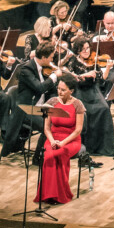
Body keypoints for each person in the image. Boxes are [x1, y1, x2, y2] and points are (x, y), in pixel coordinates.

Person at [64, 36, 114, 158]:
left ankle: (102, 145)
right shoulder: (73, 61)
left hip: (94, 91)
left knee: (104, 108)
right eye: (83, 49)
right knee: (86, 112)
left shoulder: (94, 61)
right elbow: (70, 79)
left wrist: (108, 68)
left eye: (88, 48)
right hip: (80, 92)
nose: (86, 51)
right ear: (78, 50)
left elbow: (102, 79)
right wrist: (85, 75)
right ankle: (87, 145)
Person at [36, 76, 85, 205]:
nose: (59, 92)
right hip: (53, 138)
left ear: (71, 91)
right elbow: (46, 128)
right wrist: (52, 141)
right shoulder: (51, 102)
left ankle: (59, 194)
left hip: (71, 140)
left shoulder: (78, 104)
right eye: (58, 89)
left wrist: (62, 143)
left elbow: (78, 130)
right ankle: (48, 194)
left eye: (63, 90)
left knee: (60, 154)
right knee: (49, 156)